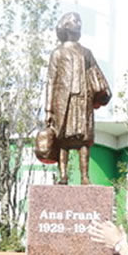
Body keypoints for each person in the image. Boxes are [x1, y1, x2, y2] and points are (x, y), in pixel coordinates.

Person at [44, 11, 111, 185]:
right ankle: (63, 176)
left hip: (82, 99)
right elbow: (50, 82)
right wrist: (48, 109)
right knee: (62, 139)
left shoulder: (86, 53)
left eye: (79, 20)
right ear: (65, 26)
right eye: (74, 21)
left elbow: (96, 74)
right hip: (62, 101)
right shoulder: (57, 53)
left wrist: (101, 92)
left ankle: (85, 176)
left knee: (84, 139)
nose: (78, 23)